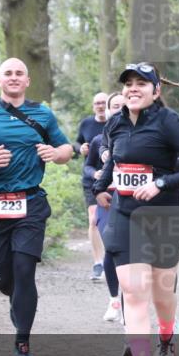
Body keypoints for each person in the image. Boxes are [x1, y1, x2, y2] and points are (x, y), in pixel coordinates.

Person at [93, 63, 179, 356]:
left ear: (156, 91)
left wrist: (161, 182)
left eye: (141, 84)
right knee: (133, 290)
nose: (133, 88)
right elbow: (114, 165)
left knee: (162, 293)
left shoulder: (168, 122)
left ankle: (167, 337)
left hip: (165, 218)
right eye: (128, 83)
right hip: (126, 215)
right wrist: (100, 186)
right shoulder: (114, 123)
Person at [0, 57, 73, 356]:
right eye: (7, 73)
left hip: (31, 203)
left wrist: (55, 153)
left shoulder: (42, 114)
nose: (13, 77)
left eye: (19, 73)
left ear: (27, 81)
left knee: (24, 271)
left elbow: (67, 150)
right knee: (6, 280)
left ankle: (22, 342)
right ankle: (16, 300)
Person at [84, 92, 126, 321]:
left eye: (123, 105)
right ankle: (114, 300)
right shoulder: (100, 141)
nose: (118, 109)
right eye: (115, 106)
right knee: (110, 247)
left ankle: (129, 299)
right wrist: (97, 173)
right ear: (108, 110)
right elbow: (87, 167)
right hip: (107, 199)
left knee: (131, 252)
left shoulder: (139, 139)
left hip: (133, 199)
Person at [77, 92, 110, 281]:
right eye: (96, 103)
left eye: (103, 103)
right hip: (92, 179)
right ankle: (98, 263)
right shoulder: (87, 124)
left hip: (115, 179)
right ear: (93, 106)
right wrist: (79, 148)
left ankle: (115, 259)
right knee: (94, 219)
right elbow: (78, 143)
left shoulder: (118, 123)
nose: (99, 106)